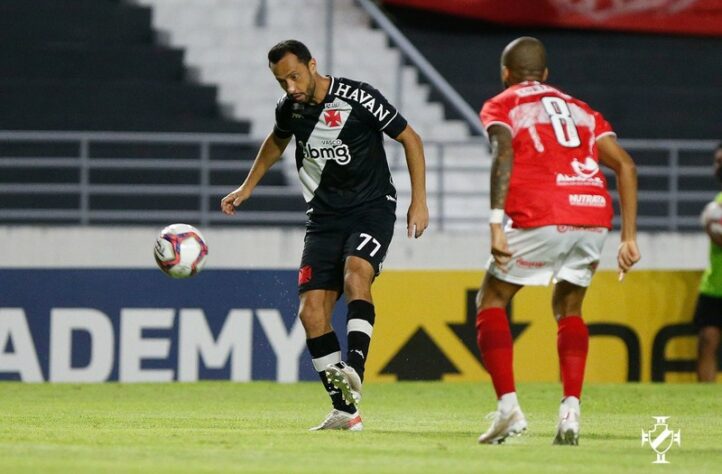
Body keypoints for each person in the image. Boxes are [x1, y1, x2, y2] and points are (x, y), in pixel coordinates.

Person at [221, 40, 429, 431]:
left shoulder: (358, 96)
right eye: (281, 81)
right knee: (311, 312)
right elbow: (276, 141)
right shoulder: (291, 108)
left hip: (371, 208)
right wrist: (248, 186)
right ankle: (346, 411)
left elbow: (410, 138)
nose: (290, 87)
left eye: (295, 76)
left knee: (356, 274)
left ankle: (355, 368)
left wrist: (420, 202)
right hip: (323, 219)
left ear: (312, 64)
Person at [475, 37, 640, 445]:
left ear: (506, 73)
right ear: (546, 74)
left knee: (491, 299)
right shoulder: (582, 110)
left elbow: (504, 154)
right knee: (568, 307)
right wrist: (629, 237)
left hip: (543, 212)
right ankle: (570, 412)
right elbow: (625, 165)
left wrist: (496, 222)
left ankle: (508, 408)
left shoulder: (503, 104)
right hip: (591, 213)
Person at [693, 142, 722, 382]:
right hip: (714, 285)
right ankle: (706, 400)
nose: (718, 167)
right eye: (717, 162)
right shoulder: (716, 204)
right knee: (706, 342)